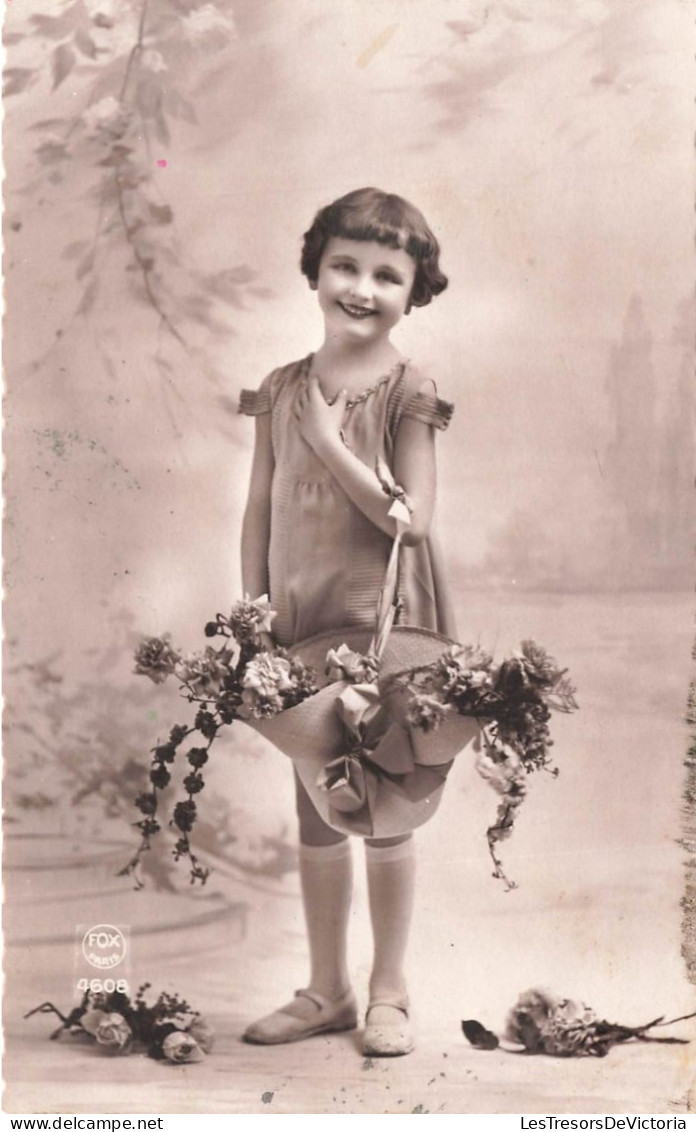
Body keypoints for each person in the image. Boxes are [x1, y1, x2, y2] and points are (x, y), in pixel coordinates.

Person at [238, 187, 454, 1057]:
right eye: (346, 267)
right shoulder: (285, 386)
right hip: (300, 617)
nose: (362, 288)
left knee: (386, 794)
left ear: (414, 290)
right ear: (317, 271)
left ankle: (388, 991)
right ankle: (326, 990)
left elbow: (414, 520)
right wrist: (252, 613)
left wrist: (333, 445)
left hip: (383, 625)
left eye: (386, 275)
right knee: (316, 804)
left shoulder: (409, 387)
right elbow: (257, 507)